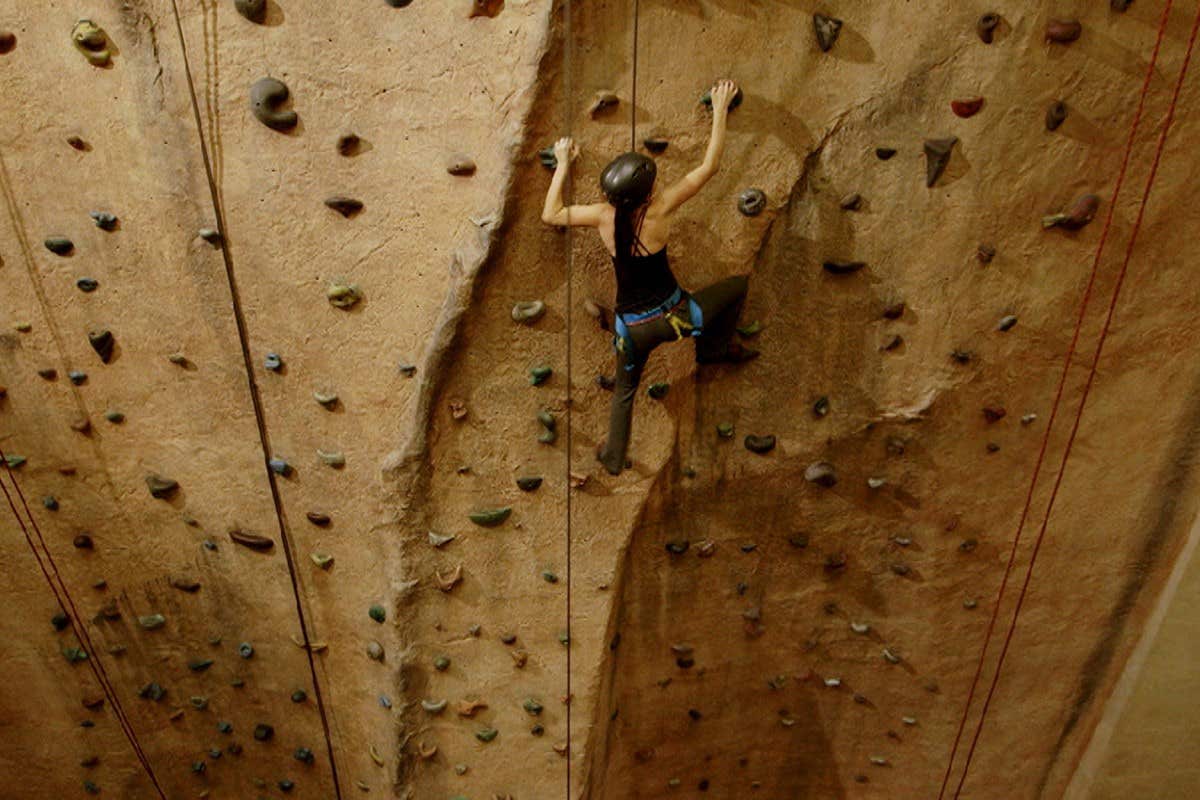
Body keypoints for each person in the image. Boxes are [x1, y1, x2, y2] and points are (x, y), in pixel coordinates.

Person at [541, 79, 757, 476]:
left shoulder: (603, 216)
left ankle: (613, 458)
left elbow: (551, 214)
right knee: (736, 288)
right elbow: (709, 167)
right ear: (647, 193)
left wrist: (563, 164)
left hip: (631, 330)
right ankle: (712, 351)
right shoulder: (659, 210)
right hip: (676, 318)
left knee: (624, 392)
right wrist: (721, 109)